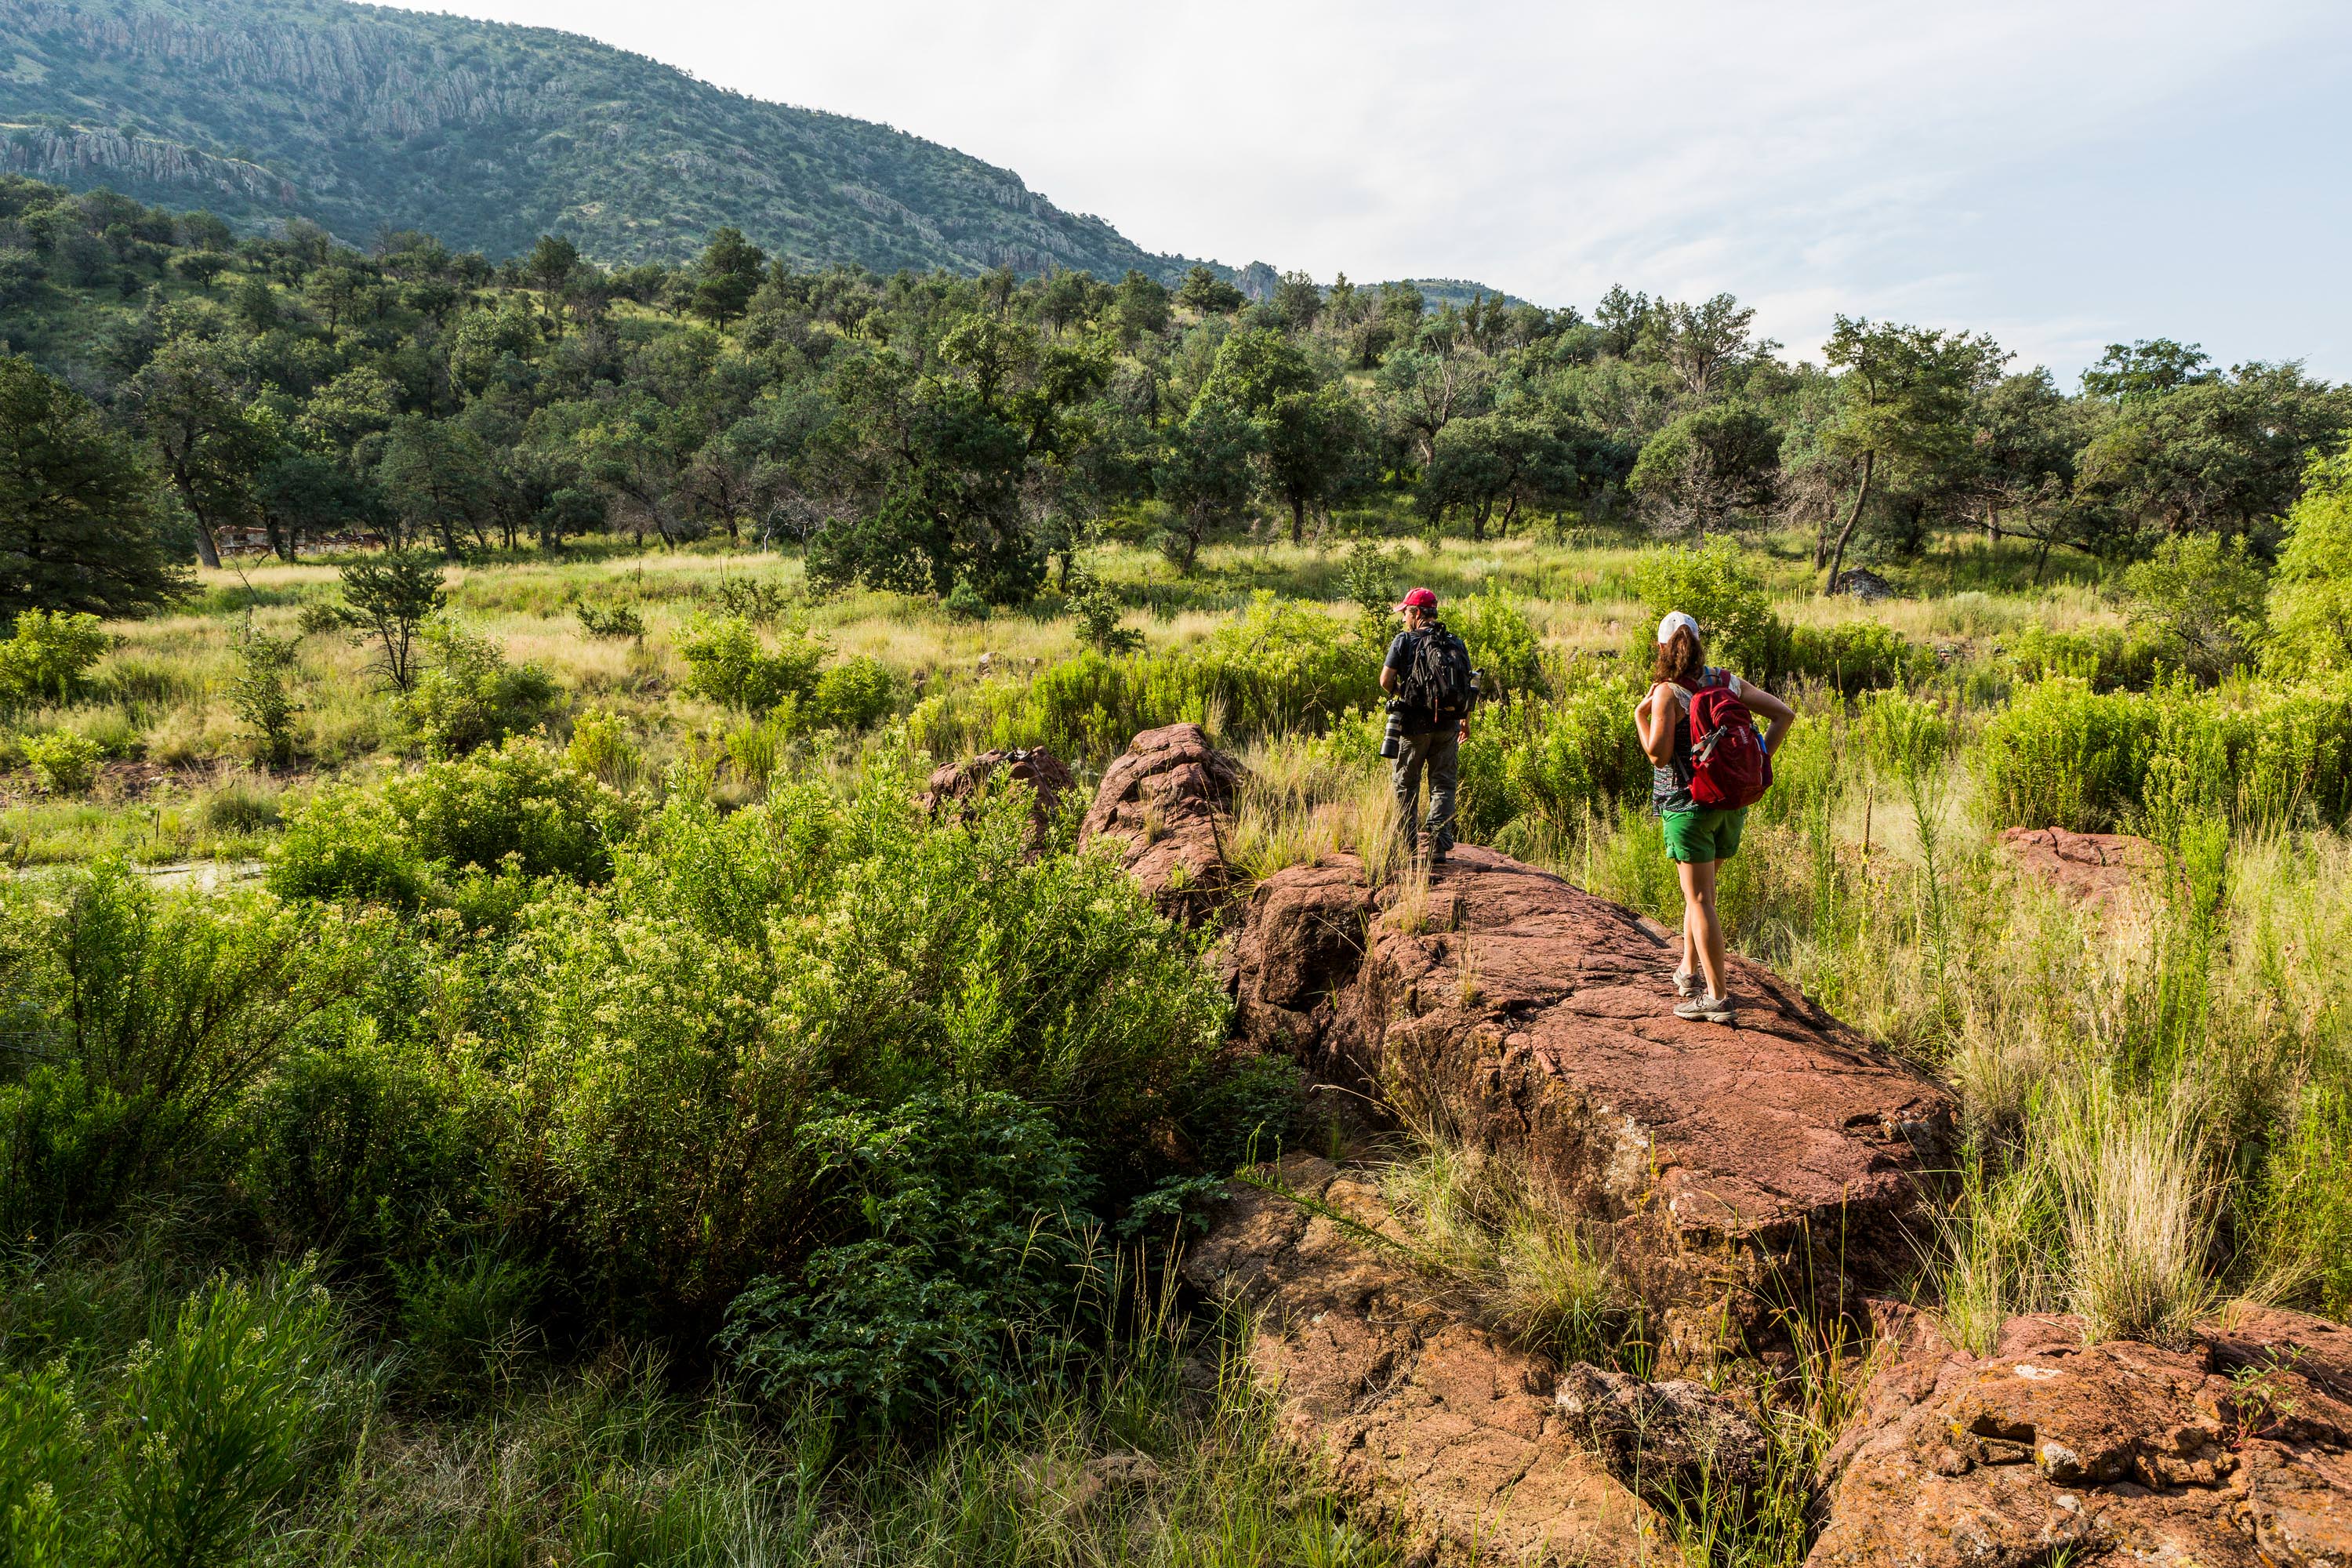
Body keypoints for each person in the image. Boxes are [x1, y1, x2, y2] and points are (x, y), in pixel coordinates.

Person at [1634, 610, 1793, 1025]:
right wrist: (1753, 766)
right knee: (1701, 896)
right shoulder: (1726, 681)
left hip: (1689, 809)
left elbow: (1658, 755)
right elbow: (1784, 714)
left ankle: (1717, 998)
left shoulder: (1668, 692)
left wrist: (1640, 715)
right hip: (1729, 806)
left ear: (1663, 648)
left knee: (1700, 899)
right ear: (1698, 643)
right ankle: (1688, 973)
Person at [1381, 587, 1472, 863]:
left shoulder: (1404, 641)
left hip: (1414, 726)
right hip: (1449, 726)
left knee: (1406, 784)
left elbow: (1385, 681)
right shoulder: (1455, 642)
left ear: (1417, 613)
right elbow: (1467, 688)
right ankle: (1438, 848)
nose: (1404, 619)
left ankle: (1406, 847)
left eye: (1406, 613)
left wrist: (1406, 694)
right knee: (1443, 784)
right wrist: (1464, 722)